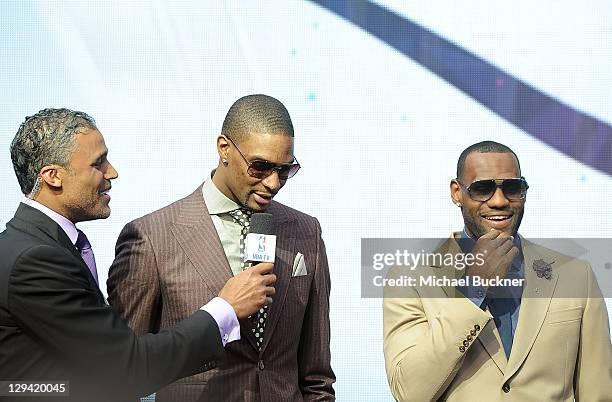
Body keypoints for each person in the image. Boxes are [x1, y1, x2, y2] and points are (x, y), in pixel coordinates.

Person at [0, 108, 275, 402]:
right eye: (98, 163)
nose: (112, 172)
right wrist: (225, 309)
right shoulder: (36, 259)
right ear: (53, 176)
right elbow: (126, 369)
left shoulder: (33, 244)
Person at [107, 94, 335, 402]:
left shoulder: (306, 232)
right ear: (224, 148)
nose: (273, 182)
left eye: (284, 170)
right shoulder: (151, 237)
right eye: (260, 167)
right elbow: (123, 371)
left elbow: (316, 376)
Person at [383, 141, 611, 401]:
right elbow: (409, 393)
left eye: (512, 188)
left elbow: (598, 392)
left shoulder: (576, 276)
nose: (500, 201)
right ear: (457, 193)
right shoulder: (410, 278)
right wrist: (472, 290)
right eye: (482, 189)